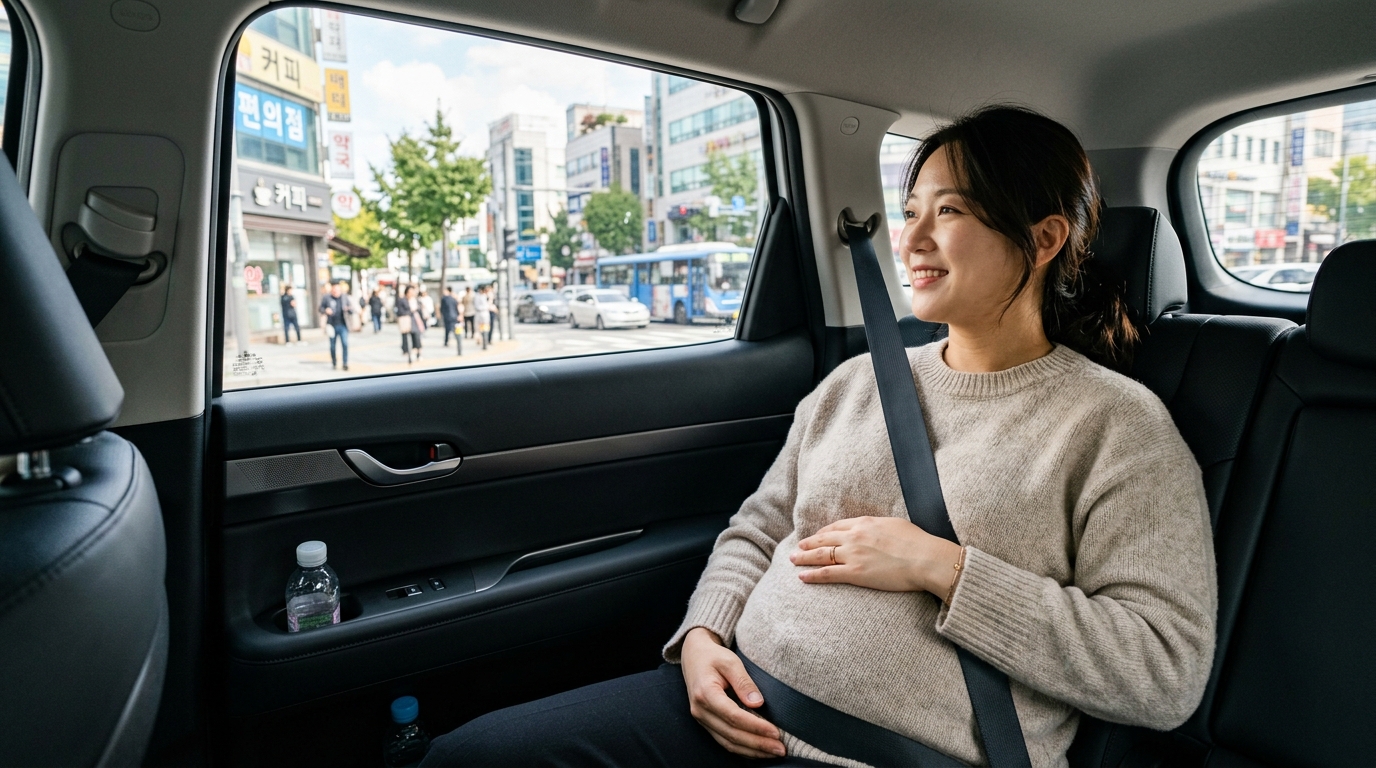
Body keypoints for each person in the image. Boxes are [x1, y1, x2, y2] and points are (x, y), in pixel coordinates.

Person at [420, 106, 1217, 768]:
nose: (911, 241)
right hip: (723, 706)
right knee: (472, 757)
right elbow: (759, 527)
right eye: (910, 213)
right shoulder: (859, 381)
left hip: (888, 754)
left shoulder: (1115, 425)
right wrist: (701, 641)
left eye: (951, 211)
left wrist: (944, 568)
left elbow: (1163, 670)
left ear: (1042, 240)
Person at [317, 281, 352, 371]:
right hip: (331, 325)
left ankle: (345, 363)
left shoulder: (344, 297)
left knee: (345, 344)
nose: (336, 291)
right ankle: (334, 362)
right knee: (332, 346)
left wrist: (348, 309)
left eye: (337, 289)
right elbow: (320, 308)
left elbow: (351, 308)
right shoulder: (326, 297)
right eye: (334, 289)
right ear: (332, 290)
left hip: (343, 324)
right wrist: (325, 310)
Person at [395, 284, 423, 363]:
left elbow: (420, 311)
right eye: (410, 292)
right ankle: (408, 353)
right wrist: (411, 310)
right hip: (406, 320)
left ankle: (418, 353)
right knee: (406, 338)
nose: (411, 293)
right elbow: (399, 311)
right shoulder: (402, 300)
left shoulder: (416, 300)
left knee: (417, 337)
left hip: (415, 320)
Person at [472, 285, 491, 350]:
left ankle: (484, 341)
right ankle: (479, 340)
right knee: (478, 328)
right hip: (480, 313)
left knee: (485, 328)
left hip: (484, 313)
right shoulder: (477, 296)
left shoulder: (485, 296)